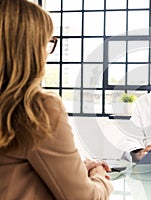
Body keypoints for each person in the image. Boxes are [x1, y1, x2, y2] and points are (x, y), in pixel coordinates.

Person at [0, 0, 112, 199]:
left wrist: (74, 169)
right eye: (49, 41)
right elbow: (83, 197)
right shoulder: (36, 108)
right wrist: (99, 176)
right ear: (32, 47)